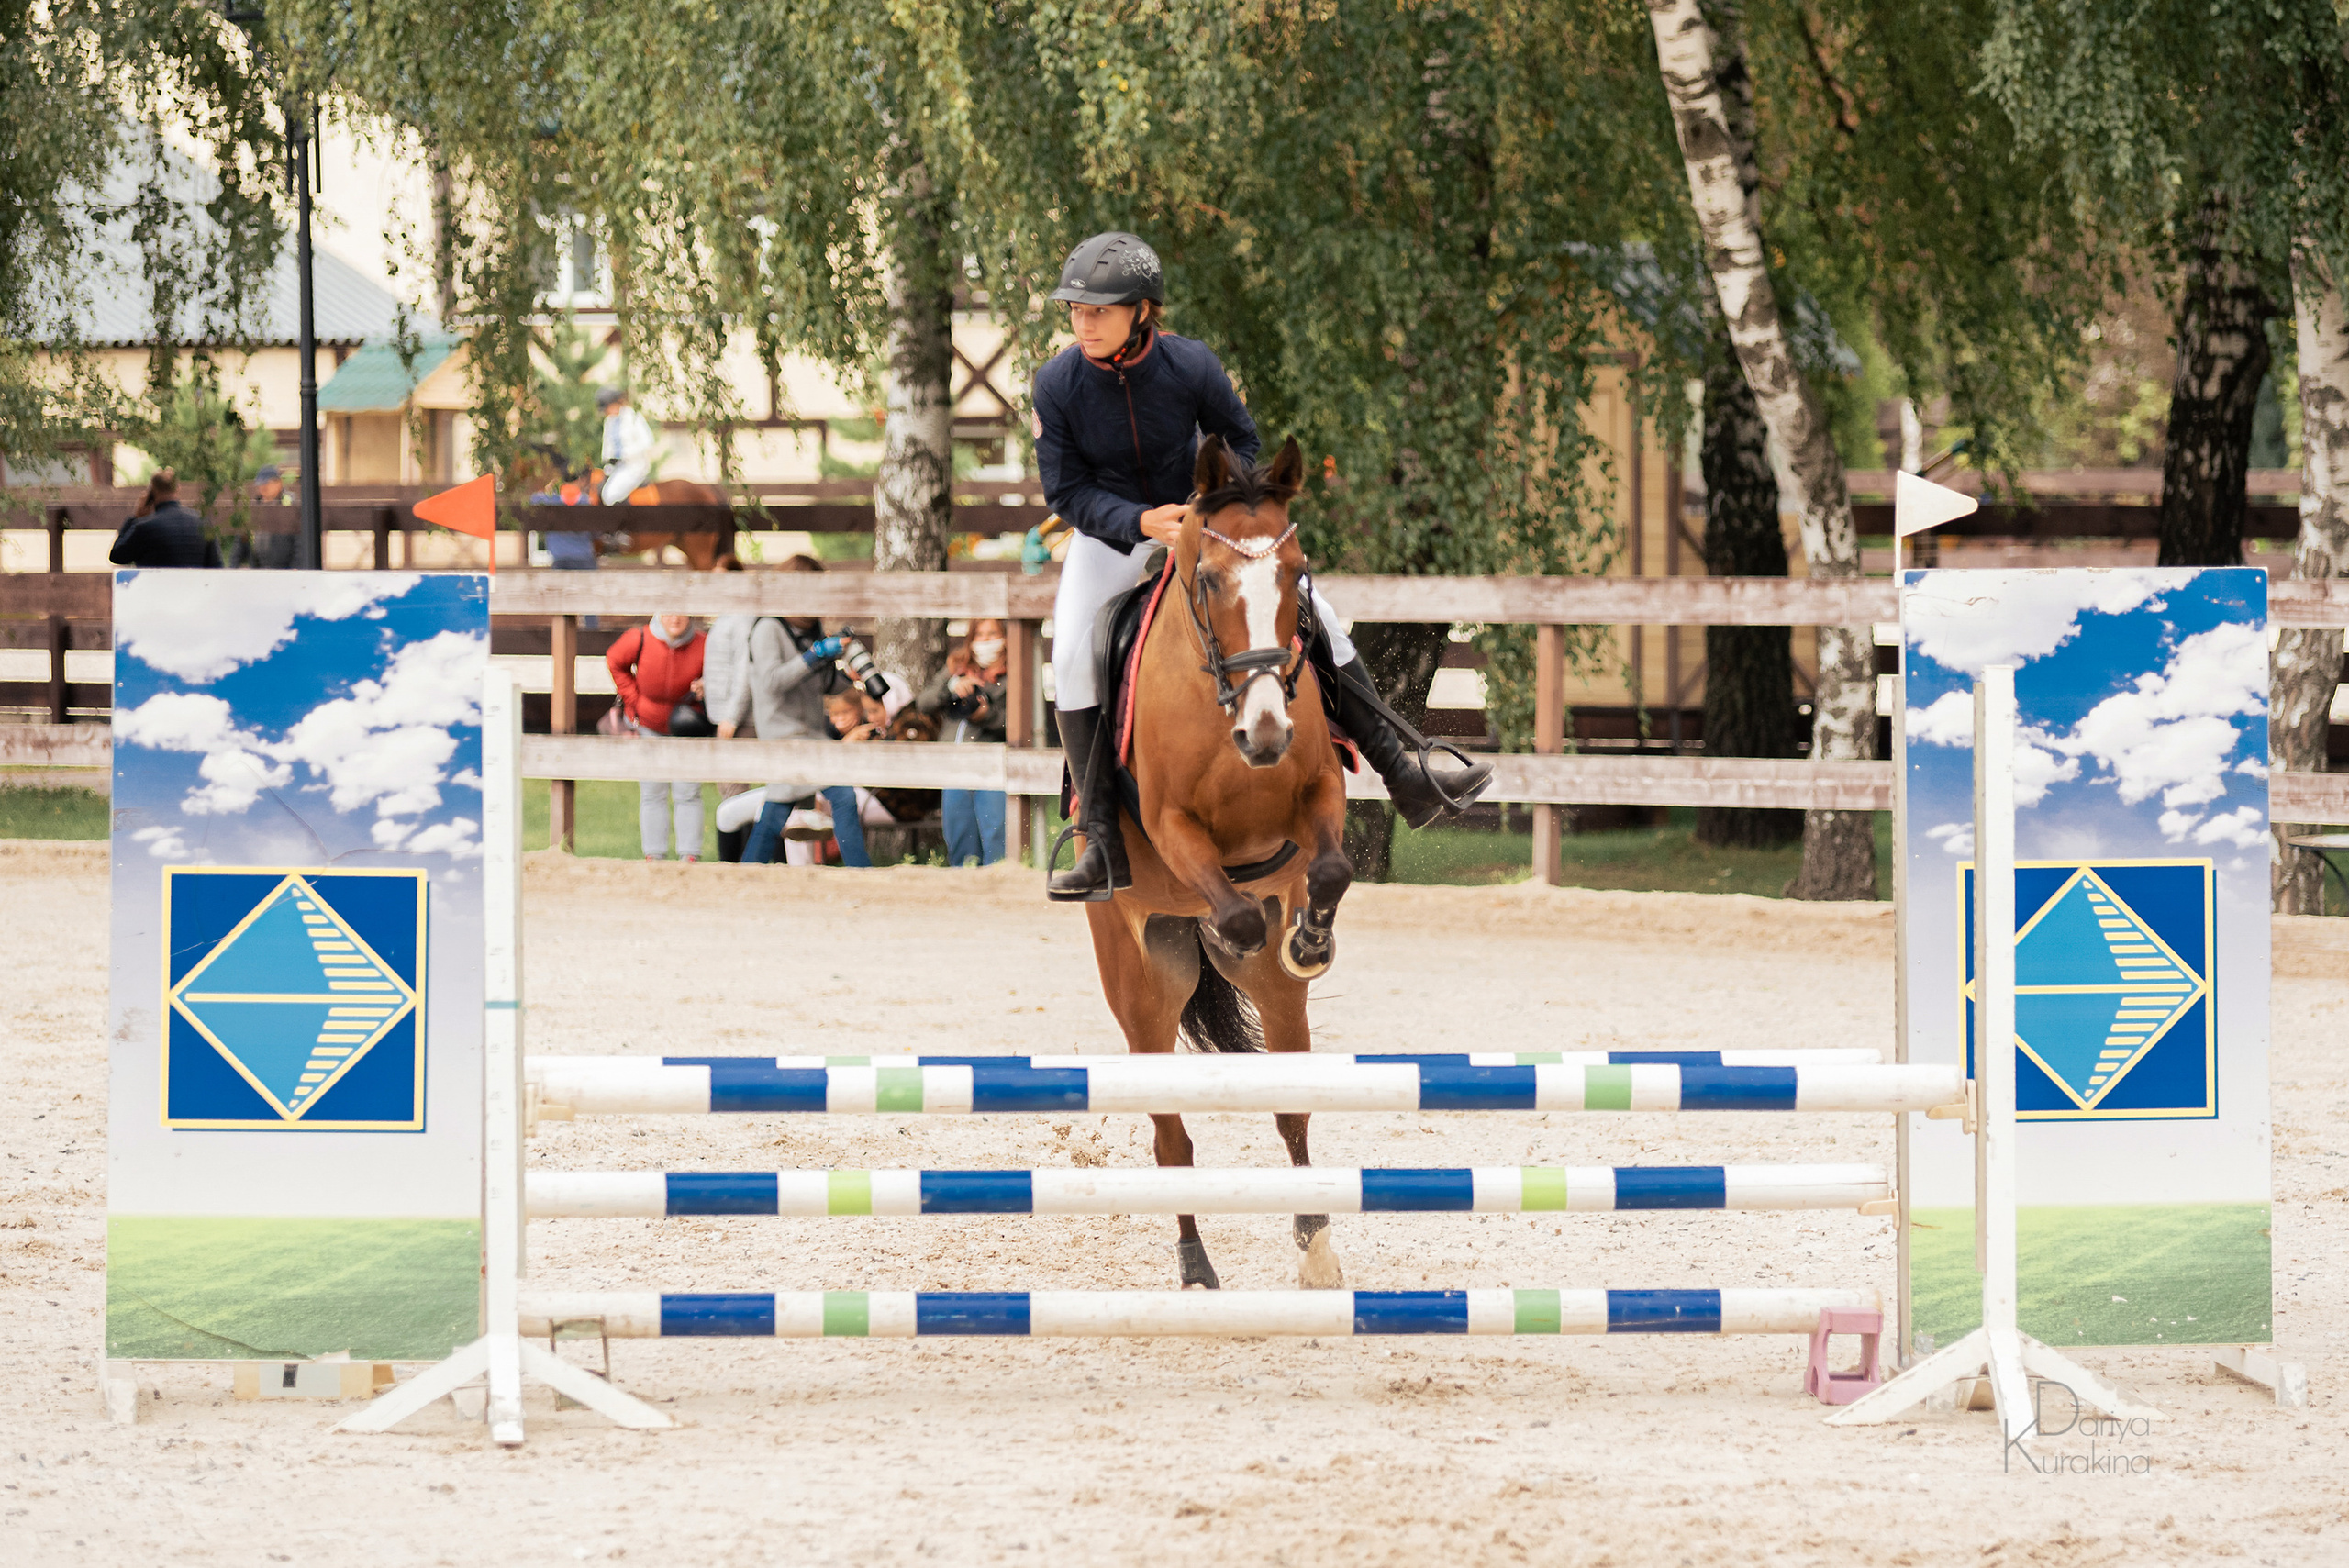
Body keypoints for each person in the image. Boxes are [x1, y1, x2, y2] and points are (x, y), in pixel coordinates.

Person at [1032, 230, 1491, 901]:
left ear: (1142, 312)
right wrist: (1138, 521)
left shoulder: (1191, 366)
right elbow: (1065, 493)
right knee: (1072, 657)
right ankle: (1100, 836)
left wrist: (1211, 508)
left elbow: (1242, 440)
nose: (1083, 322)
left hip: (1208, 527)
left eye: (1098, 309)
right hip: (1113, 537)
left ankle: (1405, 772)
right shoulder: (1057, 383)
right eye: (1075, 309)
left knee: (1319, 613)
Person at [731, 557, 842, 866]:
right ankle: (859, 869)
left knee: (777, 813)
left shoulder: (812, 629)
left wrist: (851, 678)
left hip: (811, 733)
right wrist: (815, 655)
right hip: (784, 734)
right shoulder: (768, 627)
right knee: (840, 793)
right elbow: (772, 682)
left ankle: (749, 868)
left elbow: (821, 683)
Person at [607, 612, 707, 862]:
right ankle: (654, 855)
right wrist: (634, 700)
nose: (675, 618)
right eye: (668, 612)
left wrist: (706, 686)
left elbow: (720, 674)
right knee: (652, 791)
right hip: (648, 726)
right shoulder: (639, 637)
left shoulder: (704, 643)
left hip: (687, 728)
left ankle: (690, 856)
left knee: (688, 792)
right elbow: (614, 660)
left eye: (681, 612)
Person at [918, 618, 1008, 866]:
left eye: (993, 634)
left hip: (991, 765)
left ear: (1006, 638)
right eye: (980, 635)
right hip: (954, 764)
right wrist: (952, 687)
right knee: (959, 834)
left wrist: (986, 715)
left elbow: (1020, 725)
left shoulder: (1015, 672)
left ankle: (999, 887)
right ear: (971, 639)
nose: (987, 640)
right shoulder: (956, 666)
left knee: (995, 832)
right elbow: (924, 704)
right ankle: (965, 888)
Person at [109, 470, 221, 568]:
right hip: (195, 590)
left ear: (152, 492)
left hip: (156, 591)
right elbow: (216, 566)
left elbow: (116, 556)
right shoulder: (203, 524)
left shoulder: (144, 527)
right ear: (178, 488)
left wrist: (134, 518)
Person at [597, 387, 657, 506]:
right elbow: (607, 445)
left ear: (615, 403)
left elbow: (648, 441)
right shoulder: (609, 421)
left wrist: (626, 454)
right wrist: (608, 461)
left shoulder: (633, 416)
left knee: (609, 496)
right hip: (616, 467)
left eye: (607, 408)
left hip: (635, 466)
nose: (606, 412)